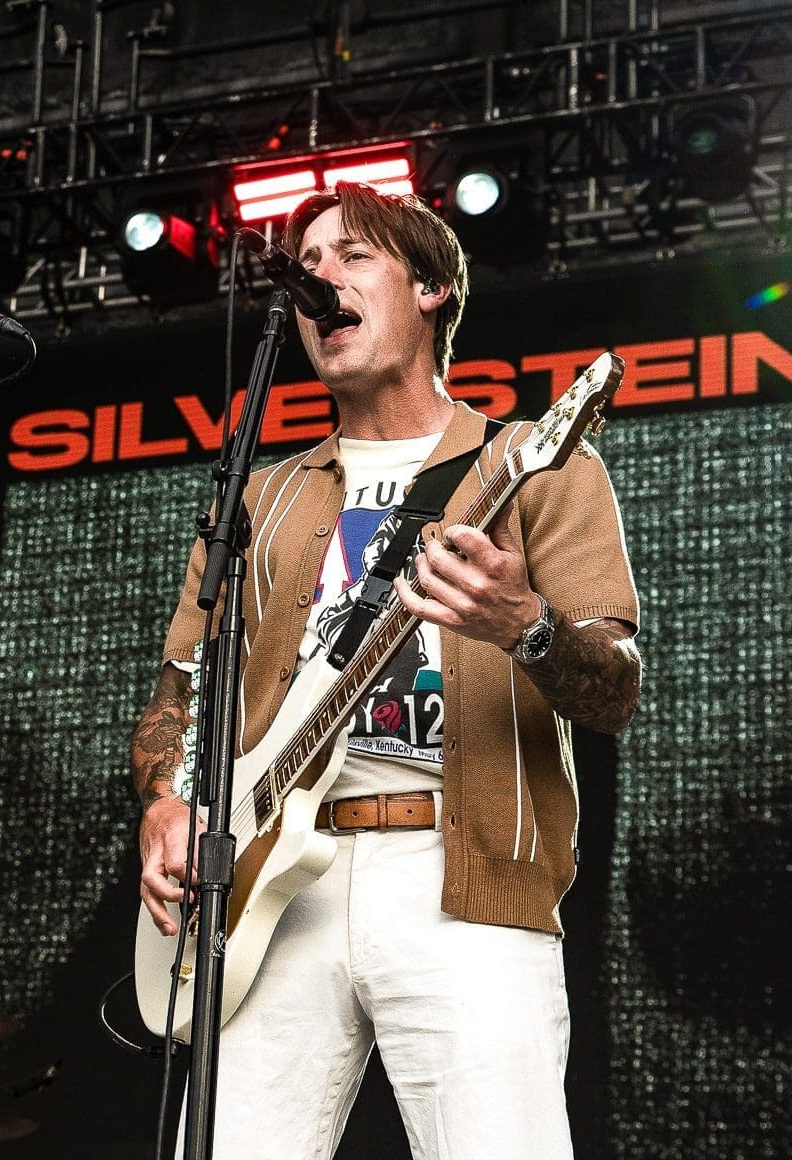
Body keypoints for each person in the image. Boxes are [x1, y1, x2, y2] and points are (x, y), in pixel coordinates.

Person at [133, 182, 642, 1159]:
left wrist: (523, 624)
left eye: (352, 255)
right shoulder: (262, 497)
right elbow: (183, 689)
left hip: (462, 878)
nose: (320, 277)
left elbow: (614, 684)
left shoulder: (532, 465)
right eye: (308, 262)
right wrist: (164, 796)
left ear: (434, 288)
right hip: (271, 888)